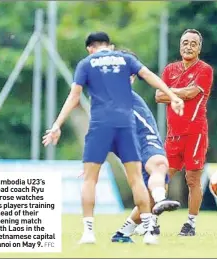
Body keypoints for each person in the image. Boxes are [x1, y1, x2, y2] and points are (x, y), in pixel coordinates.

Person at [42, 32, 184, 245]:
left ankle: (102, 233)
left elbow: (74, 97)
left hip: (101, 129)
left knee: (95, 180)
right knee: (156, 170)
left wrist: (57, 126)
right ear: (111, 46)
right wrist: (173, 96)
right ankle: (151, 221)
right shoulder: (126, 69)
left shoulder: (87, 65)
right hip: (133, 137)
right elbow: (149, 75)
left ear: (90, 48)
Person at [111, 50, 180, 242]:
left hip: (133, 145)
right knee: (159, 166)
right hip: (141, 141)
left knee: (149, 192)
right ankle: (159, 203)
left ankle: (123, 233)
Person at [155, 29, 214, 236]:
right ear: (180, 45)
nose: (188, 47)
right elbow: (158, 96)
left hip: (195, 132)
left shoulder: (204, 70)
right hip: (173, 133)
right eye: (185, 42)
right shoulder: (170, 69)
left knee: (192, 179)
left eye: (193, 43)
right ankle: (152, 220)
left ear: (199, 48)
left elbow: (190, 94)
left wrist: (170, 92)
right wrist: (174, 93)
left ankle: (190, 224)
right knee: (161, 175)